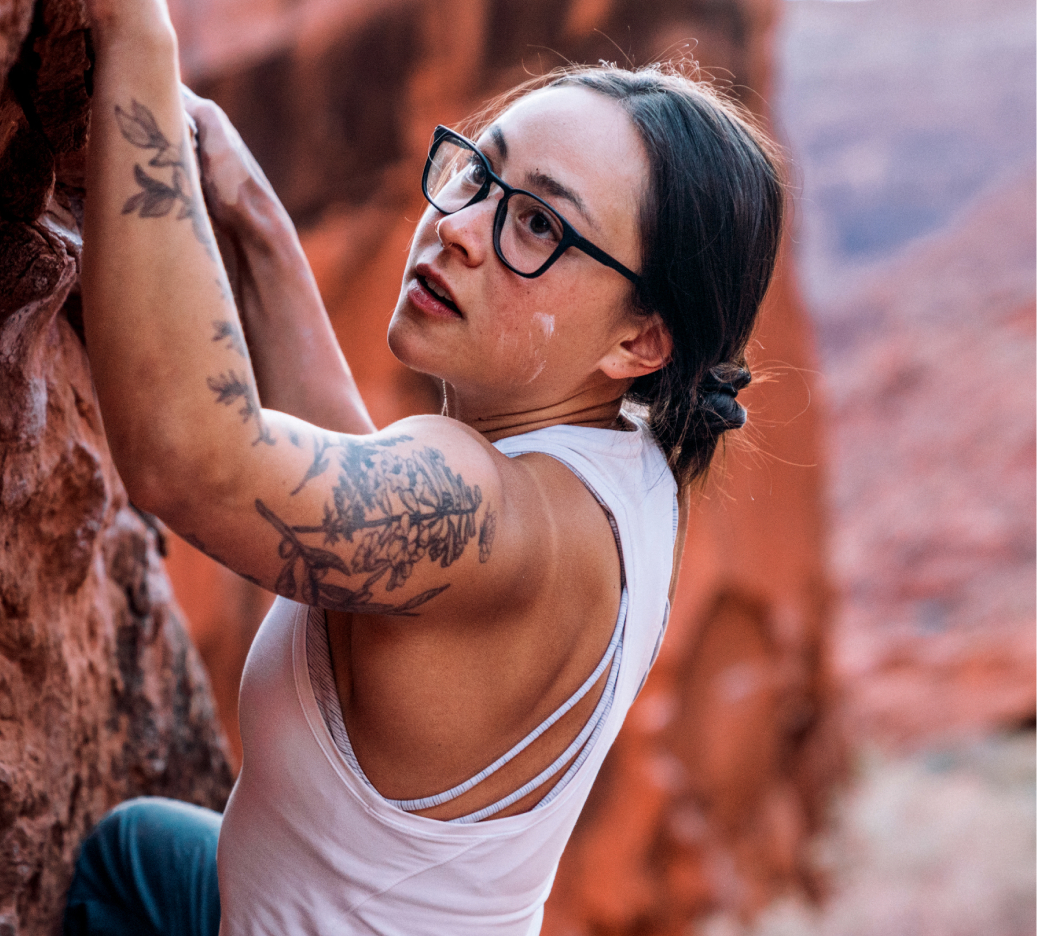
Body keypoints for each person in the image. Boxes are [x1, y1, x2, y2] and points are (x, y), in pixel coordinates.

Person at [63, 0, 785, 933]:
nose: (460, 227)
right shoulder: (626, 468)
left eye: (535, 227)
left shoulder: (498, 514)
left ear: (640, 339)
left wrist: (135, 35)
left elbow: (189, 462)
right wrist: (254, 225)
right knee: (142, 851)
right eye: (478, 171)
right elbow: (362, 507)